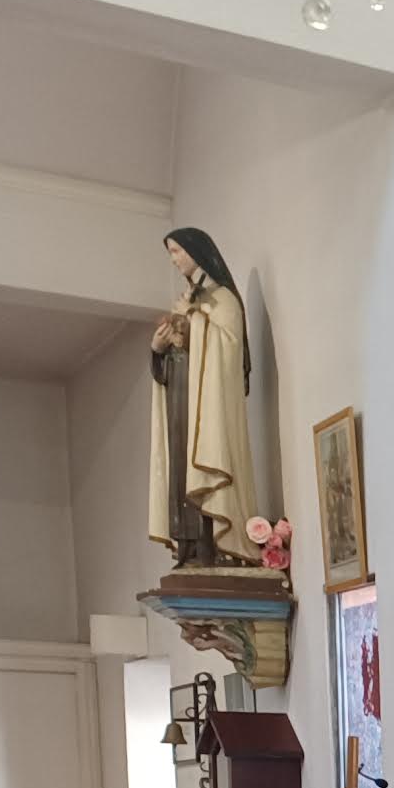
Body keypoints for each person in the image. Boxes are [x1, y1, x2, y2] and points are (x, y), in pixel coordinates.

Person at [149, 227, 258, 569]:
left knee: (205, 460)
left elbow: (229, 350)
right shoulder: (188, 300)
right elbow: (173, 357)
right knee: (182, 466)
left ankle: (213, 546)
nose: (174, 259)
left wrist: (193, 319)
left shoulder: (222, 298)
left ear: (197, 251)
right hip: (182, 395)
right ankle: (190, 548)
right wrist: (159, 348)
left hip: (207, 406)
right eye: (171, 253)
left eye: (178, 251)